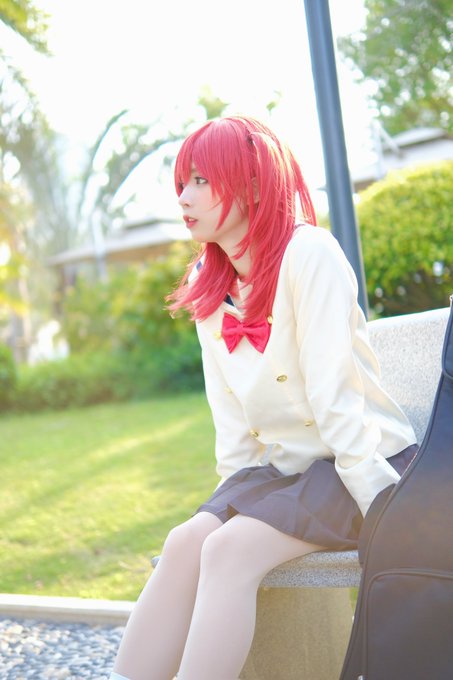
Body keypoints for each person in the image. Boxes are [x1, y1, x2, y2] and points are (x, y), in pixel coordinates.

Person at [109, 115, 418, 680]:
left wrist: (384, 510)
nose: (184, 197)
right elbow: (230, 419)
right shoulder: (208, 283)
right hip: (286, 475)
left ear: (251, 183)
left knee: (229, 552)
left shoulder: (310, 254)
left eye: (201, 180)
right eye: (182, 182)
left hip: (358, 462)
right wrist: (227, 503)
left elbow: (335, 397)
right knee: (187, 542)